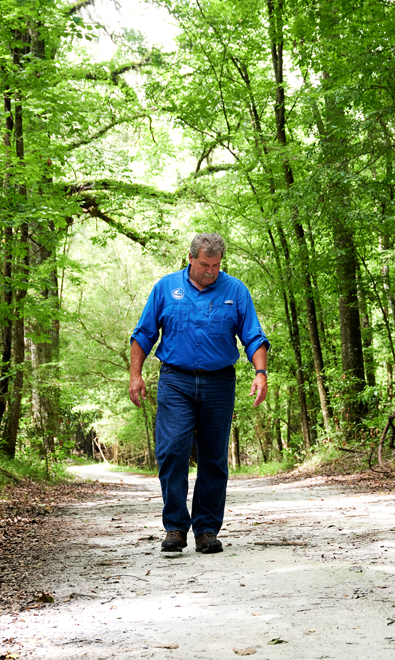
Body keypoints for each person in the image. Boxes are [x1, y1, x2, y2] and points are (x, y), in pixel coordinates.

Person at [128, 233, 269, 554]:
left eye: (216, 266)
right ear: (190, 258)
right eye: (205, 264)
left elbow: (254, 336)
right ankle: (175, 526)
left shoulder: (235, 290)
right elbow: (144, 333)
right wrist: (135, 375)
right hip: (175, 380)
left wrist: (260, 372)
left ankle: (206, 529)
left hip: (220, 382)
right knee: (172, 451)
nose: (211, 271)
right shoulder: (166, 288)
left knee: (213, 458)